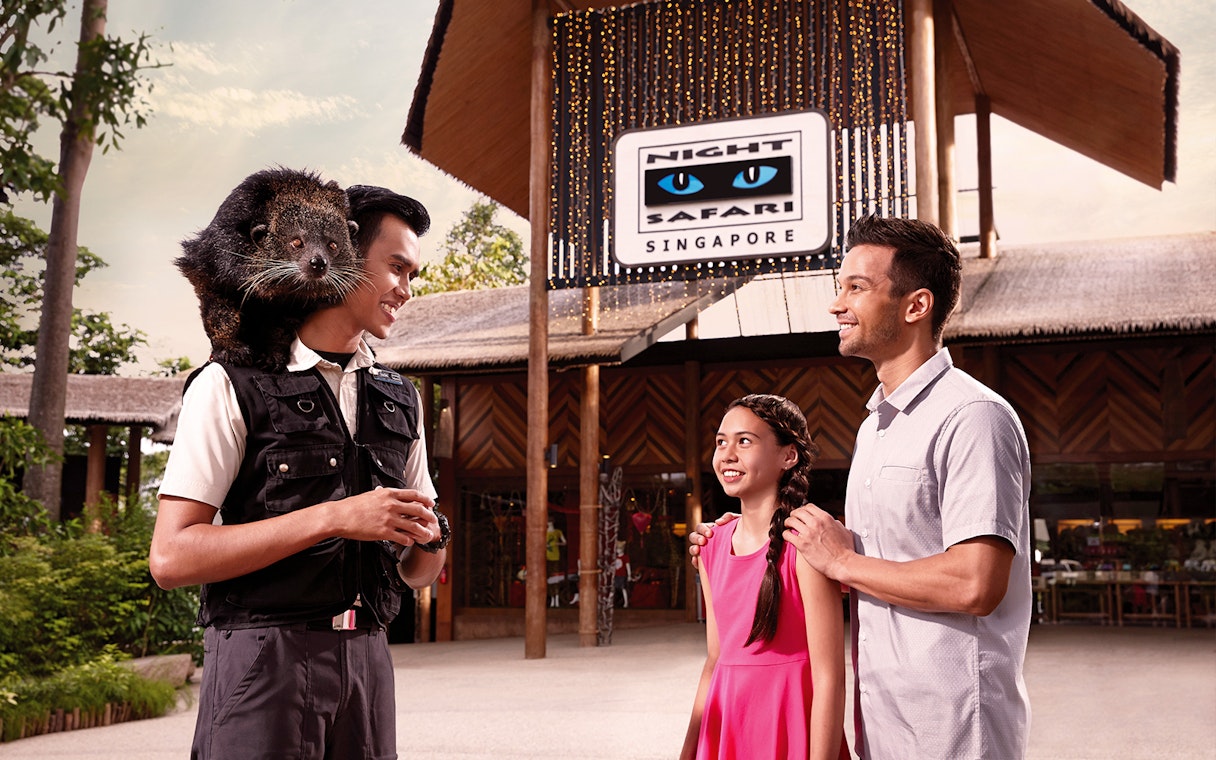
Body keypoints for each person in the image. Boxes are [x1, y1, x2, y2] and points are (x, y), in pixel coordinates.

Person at [690, 214, 1033, 759]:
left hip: (950, 724)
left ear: (916, 306)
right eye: (839, 287)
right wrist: (754, 538)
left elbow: (976, 583)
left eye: (856, 287)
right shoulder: (875, 428)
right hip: (878, 715)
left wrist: (841, 561)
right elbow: (884, 558)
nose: (836, 304)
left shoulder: (972, 417)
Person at [149, 184, 449, 759]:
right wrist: (334, 518)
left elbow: (417, 573)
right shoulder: (228, 383)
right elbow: (171, 558)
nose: (406, 290)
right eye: (396, 268)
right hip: (262, 660)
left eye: (412, 274)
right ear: (344, 252)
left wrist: (432, 539)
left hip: (369, 660)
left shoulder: (401, 398)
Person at [681, 394, 849, 760]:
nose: (727, 454)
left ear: (788, 456)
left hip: (791, 721)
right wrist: (689, 749)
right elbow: (715, 660)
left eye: (744, 441)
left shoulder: (807, 544)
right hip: (727, 723)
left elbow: (829, 677)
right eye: (721, 442)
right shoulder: (710, 545)